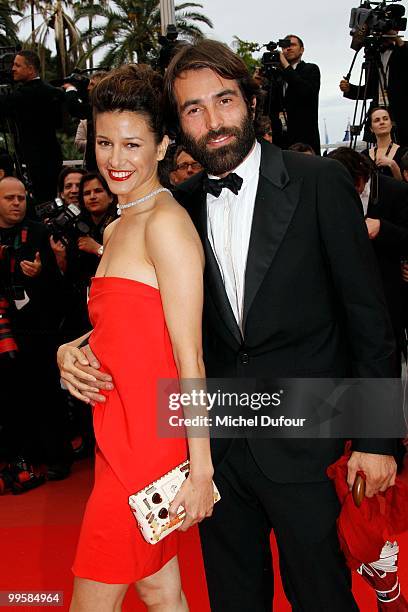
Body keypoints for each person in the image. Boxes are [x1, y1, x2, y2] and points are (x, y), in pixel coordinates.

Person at [61, 40, 398, 611]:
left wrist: (376, 439)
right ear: (178, 126)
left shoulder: (318, 182)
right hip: (215, 444)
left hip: (306, 442)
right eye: (194, 108)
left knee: (321, 595)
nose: (213, 121)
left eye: (224, 101)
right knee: (234, 597)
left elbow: (369, 317)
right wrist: (75, 347)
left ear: (251, 99)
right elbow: (153, 317)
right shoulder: (179, 205)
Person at [56, 64, 214, 611]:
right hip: (117, 434)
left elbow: (189, 353)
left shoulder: (164, 223)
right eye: (104, 142)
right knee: (159, 589)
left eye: (131, 144)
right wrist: (70, 349)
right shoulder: (118, 224)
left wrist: (201, 469)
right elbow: (125, 324)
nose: (115, 160)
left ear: (163, 143)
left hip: (149, 449)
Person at [0, 177, 71, 489]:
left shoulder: (39, 232)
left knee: (47, 395)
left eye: (20, 198)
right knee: (14, 398)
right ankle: (24, 457)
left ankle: (58, 457)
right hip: (4, 327)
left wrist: (41, 274)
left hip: (37, 329)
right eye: (9, 198)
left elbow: (59, 285)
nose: (17, 203)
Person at [328, 147, 408, 370]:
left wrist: (383, 228)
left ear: (362, 174)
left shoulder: (396, 191)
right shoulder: (329, 192)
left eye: (355, 186)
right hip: (346, 307)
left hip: (387, 302)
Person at [0, 51, 63, 204]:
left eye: (17, 65)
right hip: (50, 156)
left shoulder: (25, 94)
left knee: (42, 202)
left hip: (38, 161)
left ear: (31, 69)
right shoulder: (51, 91)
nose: (12, 69)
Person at [339, 29, 408, 147]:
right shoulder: (373, 55)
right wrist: (350, 89)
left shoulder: (403, 49)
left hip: (402, 113)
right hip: (378, 108)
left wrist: (397, 39)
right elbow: (369, 90)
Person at [275, 34, 321, 154]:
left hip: (305, 139)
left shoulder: (311, 69)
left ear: (302, 50)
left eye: (293, 45)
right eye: (285, 46)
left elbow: (305, 92)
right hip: (281, 141)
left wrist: (286, 66)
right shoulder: (277, 76)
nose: (288, 48)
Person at [363, 106, 407, 180]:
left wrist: (393, 165)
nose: (382, 122)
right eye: (377, 120)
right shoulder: (364, 156)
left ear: (391, 124)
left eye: (385, 119)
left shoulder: (404, 152)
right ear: (371, 128)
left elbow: (404, 186)